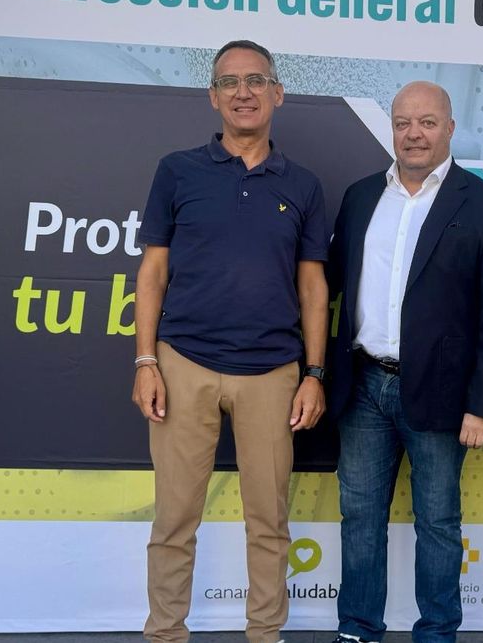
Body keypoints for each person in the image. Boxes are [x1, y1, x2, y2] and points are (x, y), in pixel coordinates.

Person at [131, 39, 329, 643]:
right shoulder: (177, 170)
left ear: (277, 93)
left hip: (273, 373)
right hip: (182, 363)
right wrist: (146, 360)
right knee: (173, 519)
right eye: (229, 82)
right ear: (213, 96)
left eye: (255, 80)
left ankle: (264, 634)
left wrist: (314, 374)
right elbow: (153, 273)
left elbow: (314, 287)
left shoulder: (303, 184)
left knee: (268, 521)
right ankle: (165, 633)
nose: (243, 92)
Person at [325, 81, 483, 643]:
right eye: (404, 122)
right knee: (360, 518)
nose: (414, 133)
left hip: (442, 391)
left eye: (428, 122)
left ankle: (437, 633)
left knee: (438, 523)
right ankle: (358, 629)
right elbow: (332, 284)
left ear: (450, 129)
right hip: (363, 384)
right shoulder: (362, 195)